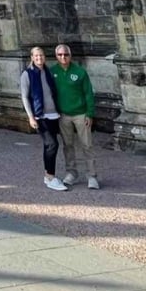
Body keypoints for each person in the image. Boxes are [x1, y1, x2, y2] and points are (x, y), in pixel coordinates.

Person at [51, 43, 100, 189]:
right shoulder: (52, 72)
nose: (63, 57)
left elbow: (88, 93)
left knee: (87, 145)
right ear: (56, 56)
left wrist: (90, 113)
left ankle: (92, 176)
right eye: (60, 55)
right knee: (68, 145)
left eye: (66, 54)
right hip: (63, 115)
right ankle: (71, 173)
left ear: (70, 55)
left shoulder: (80, 72)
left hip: (81, 114)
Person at [19, 46, 67, 191]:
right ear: (32, 58)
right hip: (40, 115)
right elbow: (24, 96)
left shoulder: (48, 72)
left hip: (53, 114)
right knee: (52, 144)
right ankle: (50, 177)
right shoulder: (27, 74)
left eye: (41, 55)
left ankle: (48, 176)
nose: (39, 58)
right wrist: (30, 117)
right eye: (36, 56)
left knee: (49, 145)